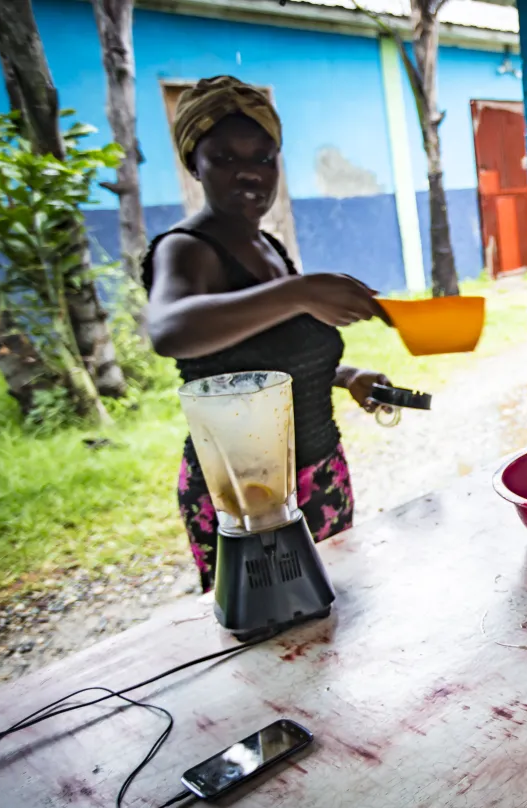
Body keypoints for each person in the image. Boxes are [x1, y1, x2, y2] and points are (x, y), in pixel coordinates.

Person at [144, 76, 390, 591]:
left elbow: (263, 357)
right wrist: (297, 293)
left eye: (263, 156)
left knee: (330, 619)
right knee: (266, 642)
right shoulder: (186, 249)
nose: (249, 173)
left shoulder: (270, 248)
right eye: (225, 159)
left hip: (317, 471)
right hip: (244, 492)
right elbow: (169, 330)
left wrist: (347, 376)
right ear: (194, 164)